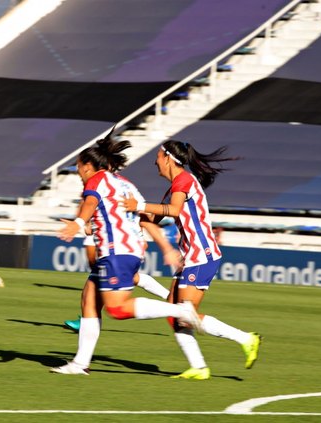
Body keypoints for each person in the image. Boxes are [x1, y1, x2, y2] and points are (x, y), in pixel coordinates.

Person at [50, 133, 202, 376]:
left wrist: (78, 223)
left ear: (88, 166)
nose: (78, 172)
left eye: (78, 167)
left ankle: (180, 310)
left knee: (118, 309)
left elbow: (89, 206)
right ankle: (80, 363)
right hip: (129, 250)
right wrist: (166, 247)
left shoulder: (96, 180)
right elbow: (146, 221)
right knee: (89, 299)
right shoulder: (125, 184)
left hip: (116, 251)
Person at [123, 140, 261, 380]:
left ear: (168, 158)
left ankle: (246, 339)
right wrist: (134, 215)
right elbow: (154, 218)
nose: (154, 160)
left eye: (157, 156)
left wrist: (140, 205)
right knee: (174, 314)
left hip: (201, 255)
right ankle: (198, 367)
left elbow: (174, 211)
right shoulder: (176, 186)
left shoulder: (184, 181)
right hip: (192, 256)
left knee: (185, 313)